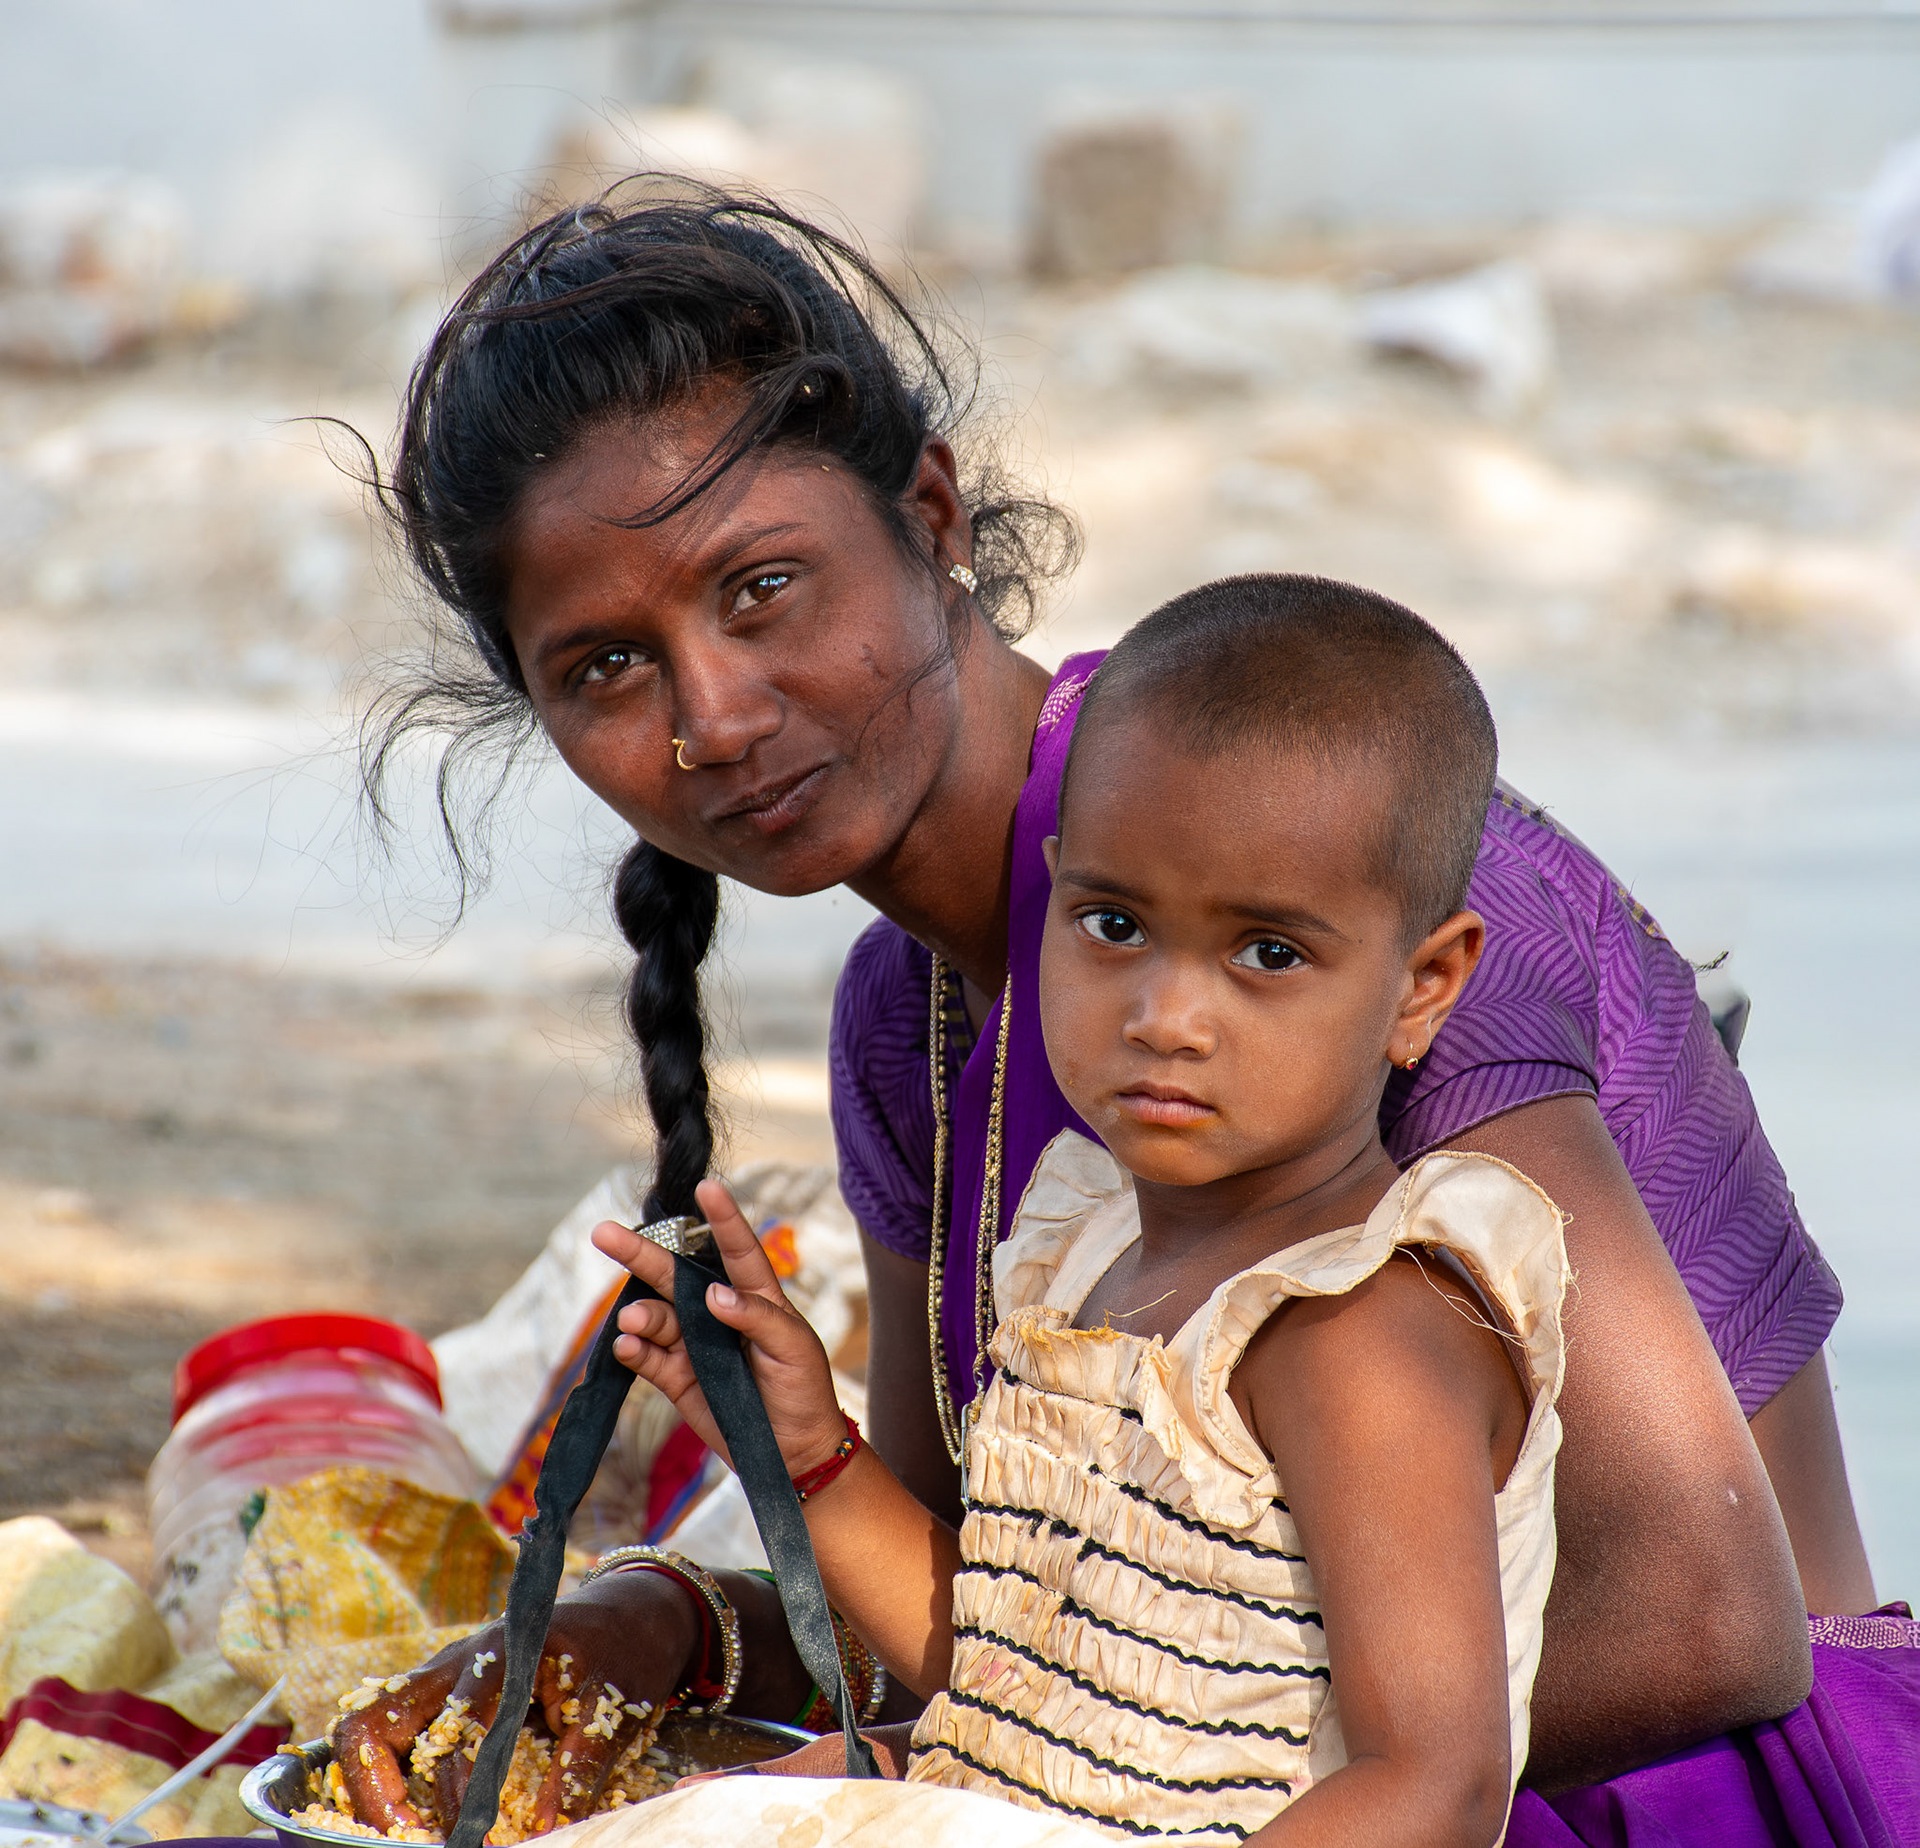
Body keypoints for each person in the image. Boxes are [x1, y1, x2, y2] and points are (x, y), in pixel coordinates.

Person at [334, 186, 1917, 1842]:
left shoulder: (1336, 918)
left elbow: (1707, 1630)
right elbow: (988, 1624)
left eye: (764, 588)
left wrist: (1058, 1785)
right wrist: (659, 1627)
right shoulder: (910, 1023)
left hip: (1671, 1789)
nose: (716, 717)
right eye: (605, 667)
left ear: (930, 512)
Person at [576, 574, 1571, 1847]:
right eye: (1113, 925)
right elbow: (1005, 1666)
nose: (1165, 1016)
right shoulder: (1086, 1248)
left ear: (1424, 985)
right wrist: (810, 1451)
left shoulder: (1354, 1326)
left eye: (1268, 952)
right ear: (1053, 897)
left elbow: (1432, 1785)